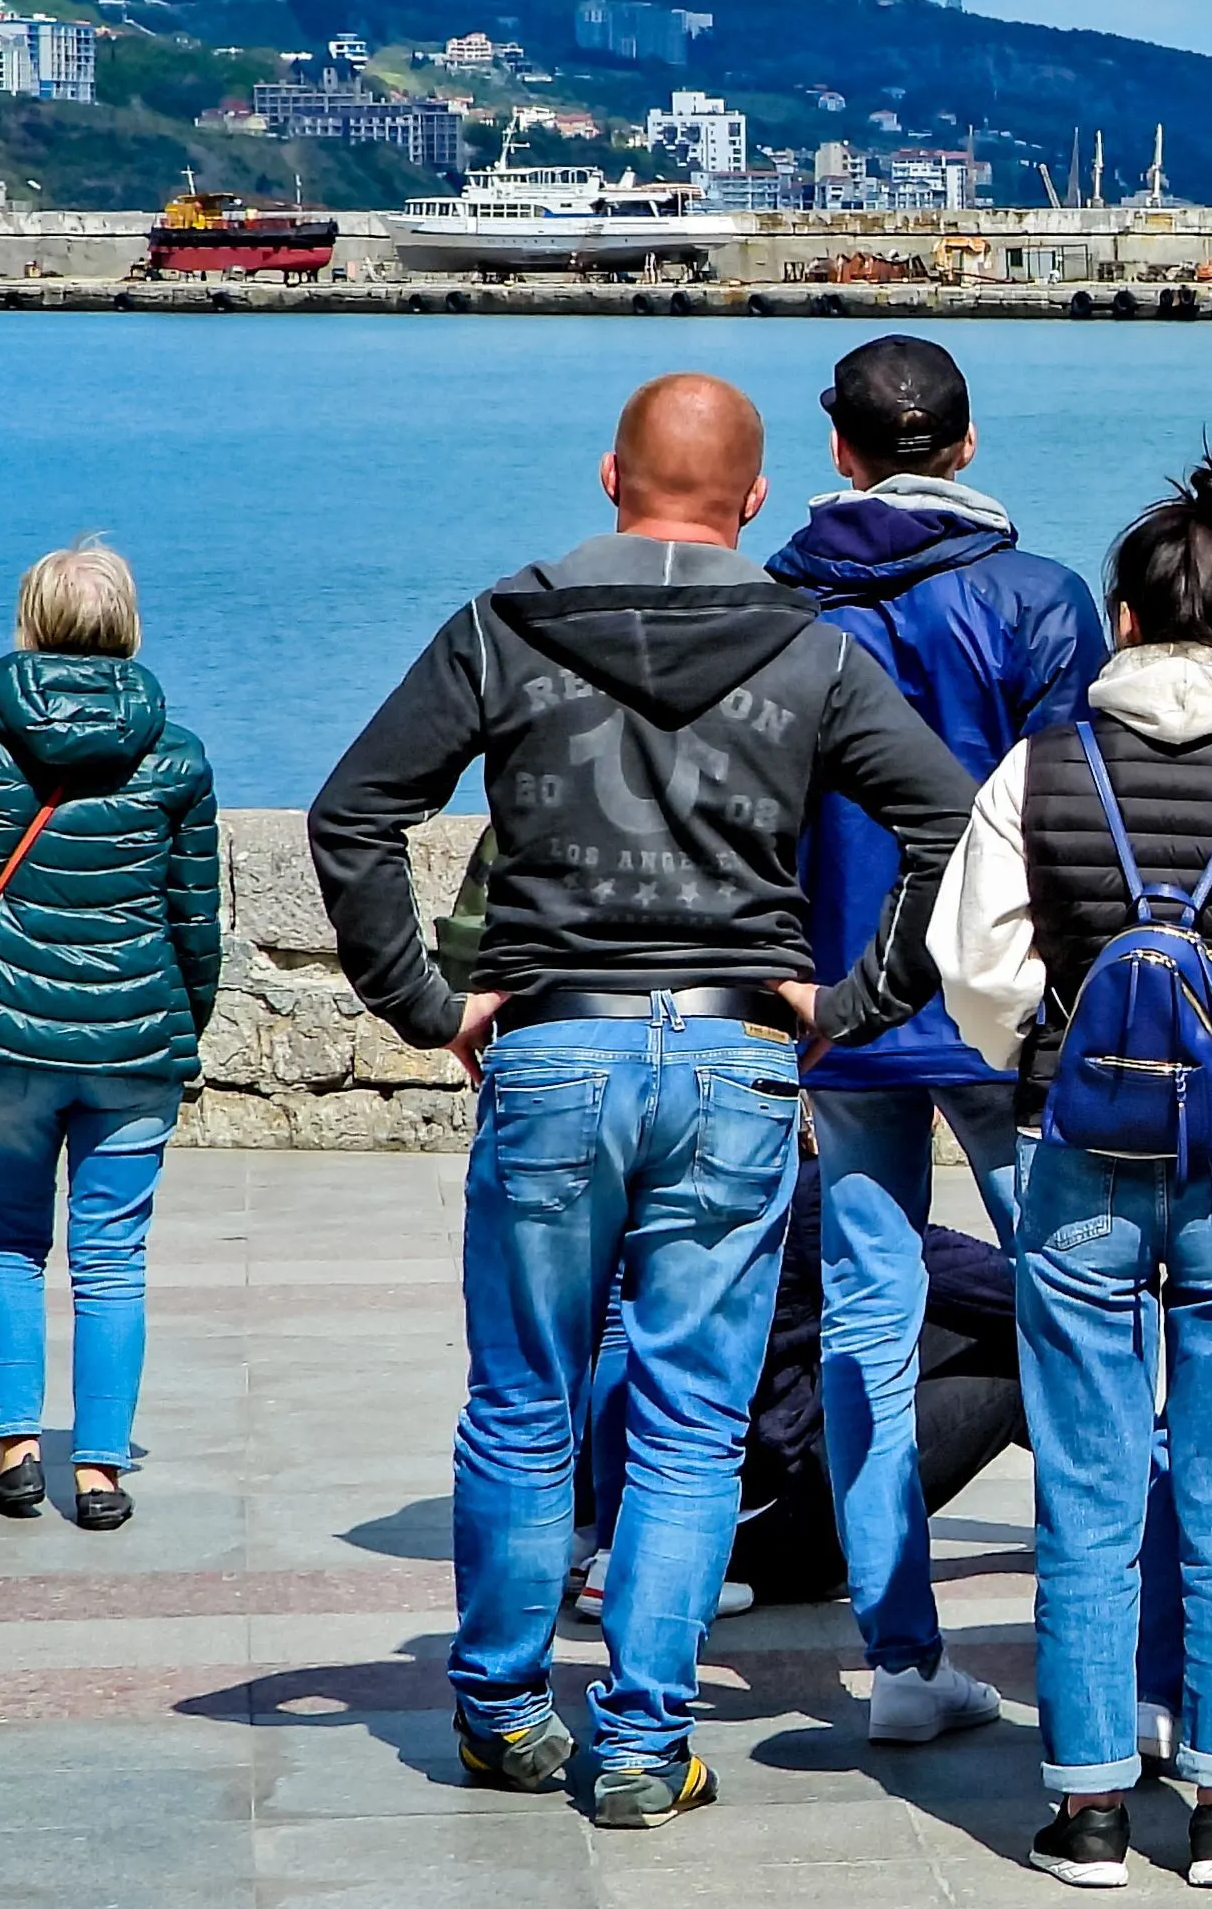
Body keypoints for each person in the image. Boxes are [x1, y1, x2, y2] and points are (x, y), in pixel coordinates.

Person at [311, 374, 977, 1830]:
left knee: (523, 1399)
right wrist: (856, 1003)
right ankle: (641, 1738)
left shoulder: (504, 626)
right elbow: (953, 823)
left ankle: (498, 1708)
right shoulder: (807, 646)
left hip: (552, 1048)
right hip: (739, 1059)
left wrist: (428, 1002)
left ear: (611, 475)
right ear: (752, 501)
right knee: (691, 1419)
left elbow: (354, 814)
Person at [933, 422, 1212, 1889]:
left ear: (1121, 619)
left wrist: (1049, 1047)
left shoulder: (1037, 767)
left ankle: (1082, 1800)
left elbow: (981, 976)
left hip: (1078, 1149)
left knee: (1085, 1474)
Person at [767, 333, 1103, 1751]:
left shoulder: (782, 607)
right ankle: (1114, 1635)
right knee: (1082, 1303)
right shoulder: (1041, 600)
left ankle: (901, 1651)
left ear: (841, 447)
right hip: (1009, 1008)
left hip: (839, 1008)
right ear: (966, 446)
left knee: (865, 1319)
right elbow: (1086, 822)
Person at [0, 542, 222, 1533]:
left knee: (9, 1243)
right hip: (133, 1045)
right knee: (112, 1258)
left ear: (30, 622)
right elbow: (194, 919)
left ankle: (17, 1450)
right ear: (125, 623)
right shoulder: (177, 753)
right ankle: (102, 1471)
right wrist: (178, 1024)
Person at [730, 1149, 1026, 1609]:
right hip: (776, 1526)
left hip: (722, 1500)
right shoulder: (816, 1194)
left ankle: (1135, 1498)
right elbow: (986, 1279)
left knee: (969, 1323)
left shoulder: (727, 1187)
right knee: (1017, 1362)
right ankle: (1132, 1508)